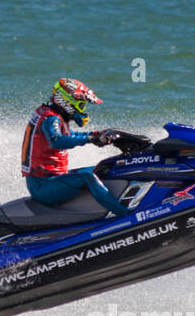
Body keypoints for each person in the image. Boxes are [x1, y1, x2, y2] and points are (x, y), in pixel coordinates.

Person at [21, 78, 128, 216]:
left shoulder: (52, 114)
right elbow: (57, 141)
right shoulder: (50, 118)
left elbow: (69, 134)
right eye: (81, 105)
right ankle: (123, 214)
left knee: (103, 166)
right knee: (87, 177)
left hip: (52, 178)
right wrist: (89, 139)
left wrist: (95, 134)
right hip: (42, 186)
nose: (83, 110)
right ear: (67, 102)